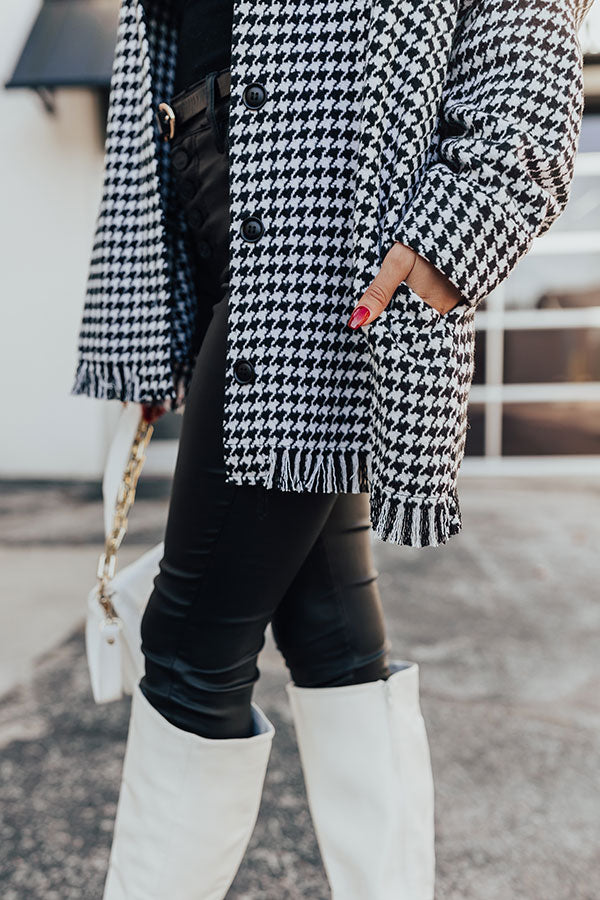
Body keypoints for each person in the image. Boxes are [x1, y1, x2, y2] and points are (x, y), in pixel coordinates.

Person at [72, 0, 593, 897]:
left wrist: (463, 222)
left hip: (327, 248)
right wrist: (163, 308)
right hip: (225, 210)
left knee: (191, 647)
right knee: (330, 633)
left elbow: (527, 43)